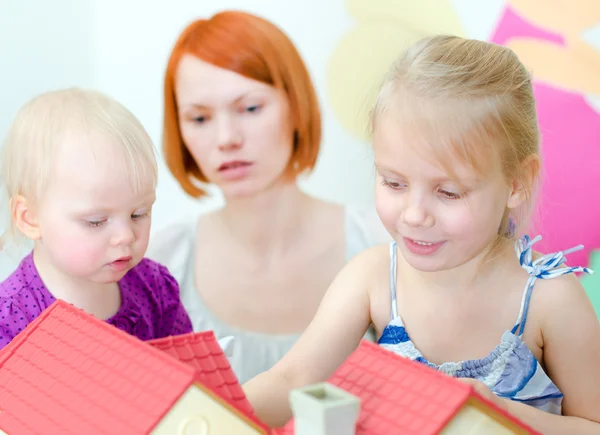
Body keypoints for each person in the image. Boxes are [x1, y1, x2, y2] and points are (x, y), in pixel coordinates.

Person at [243, 35, 600, 433]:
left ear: (516, 182)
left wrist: (495, 412)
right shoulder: (373, 279)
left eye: (448, 192)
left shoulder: (550, 302)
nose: (414, 215)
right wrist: (213, 407)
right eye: (393, 183)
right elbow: (291, 382)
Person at [147, 10, 389, 383]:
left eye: (250, 108)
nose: (226, 138)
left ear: (296, 106)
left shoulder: (379, 243)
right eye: (199, 119)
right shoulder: (162, 264)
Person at [0, 88, 193, 349]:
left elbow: (191, 378)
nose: (126, 235)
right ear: (30, 218)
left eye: (139, 213)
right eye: (96, 221)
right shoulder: (10, 321)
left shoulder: (155, 291)